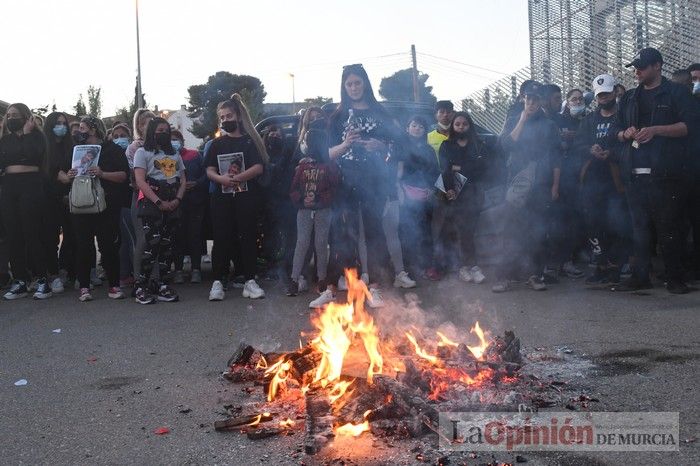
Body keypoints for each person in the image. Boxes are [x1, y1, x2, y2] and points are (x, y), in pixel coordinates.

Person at [612, 47, 698, 294]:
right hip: (634, 174)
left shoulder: (677, 93)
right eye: (635, 67)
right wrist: (625, 133)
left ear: (658, 66)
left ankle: (675, 278)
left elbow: (689, 127)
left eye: (642, 66)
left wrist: (656, 130)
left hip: (666, 173)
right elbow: (615, 131)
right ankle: (641, 276)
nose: (637, 71)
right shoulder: (628, 98)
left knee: (669, 228)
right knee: (639, 228)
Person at [328, 63, 404, 307]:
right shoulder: (338, 116)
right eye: (349, 84)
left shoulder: (380, 112)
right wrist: (344, 145)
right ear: (344, 87)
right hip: (345, 180)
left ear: (365, 83)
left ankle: (375, 287)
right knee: (344, 233)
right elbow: (327, 153)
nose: (353, 88)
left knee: (374, 232)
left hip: (374, 179)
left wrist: (381, 147)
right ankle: (345, 285)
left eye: (357, 82)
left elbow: (399, 146)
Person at [493, 82, 562, 293]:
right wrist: (522, 119)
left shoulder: (549, 125)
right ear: (523, 99)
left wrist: (555, 186)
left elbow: (557, 158)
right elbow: (505, 146)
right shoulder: (514, 120)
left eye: (535, 99)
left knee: (537, 232)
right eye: (528, 99)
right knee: (510, 231)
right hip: (516, 184)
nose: (531, 103)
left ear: (541, 101)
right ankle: (505, 276)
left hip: (540, 184)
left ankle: (535, 274)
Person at [59, 116, 130, 301]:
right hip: (82, 205)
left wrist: (102, 173)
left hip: (107, 205)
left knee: (108, 245)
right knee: (83, 246)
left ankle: (114, 285)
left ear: (94, 129)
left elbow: (123, 175)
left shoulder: (112, 149)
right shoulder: (75, 150)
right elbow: (60, 172)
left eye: (83, 128)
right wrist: (68, 175)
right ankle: (84, 287)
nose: (79, 132)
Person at [206, 94, 267, 301]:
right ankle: (217, 281)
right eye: (222, 117)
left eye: (229, 115)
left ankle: (250, 280)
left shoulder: (250, 142)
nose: (225, 120)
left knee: (248, 237)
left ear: (238, 116)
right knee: (222, 238)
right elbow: (210, 170)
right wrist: (222, 179)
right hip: (221, 198)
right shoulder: (216, 144)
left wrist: (238, 178)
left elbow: (258, 167)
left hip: (246, 197)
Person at [573, 74, 629, 284]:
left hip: (617, 179)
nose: (603, 98)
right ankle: (601, 264)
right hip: (593, 179)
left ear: (615, 92)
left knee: (617, 222)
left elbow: (630, 143)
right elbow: (578, 145)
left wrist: (611, 154)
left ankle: (616, 265)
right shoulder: (589, 120)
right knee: (594, 222)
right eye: (600, 96)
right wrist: (590, 149)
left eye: (606, 94)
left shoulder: (623, 116)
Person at [0, 103, 53, 299]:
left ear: (26, 117)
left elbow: (34, 156)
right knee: (13, 234)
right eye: (9, 115)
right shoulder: (5, 140)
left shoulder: (37, 137)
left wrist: (28, 133)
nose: (11, 118)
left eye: (16, 115)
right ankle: (20, 280)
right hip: (9, 186)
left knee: (31, 233)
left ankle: (41, 279)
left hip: (31, 185)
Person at [133, 118, 186, 304]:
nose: (163, 133)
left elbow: (182, 179)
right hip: (151, 204)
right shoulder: (142, 152)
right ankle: (141, 285)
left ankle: (162, 283)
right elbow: (140, 181)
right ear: (152, 132)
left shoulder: (175, 154)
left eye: (166, 130)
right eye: (159, 130)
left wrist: (177, 199)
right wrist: (158, 201)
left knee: (167, 246)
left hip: (173, 203)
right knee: (151, 245)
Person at [288, 128, 340, 307]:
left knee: (317, 243)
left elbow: (334, 189)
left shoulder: (328, 165)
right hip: (306, 209)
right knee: (309, 243)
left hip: (321, 210)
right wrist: (303, 199)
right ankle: (299, 279)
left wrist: (315, 199)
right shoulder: (304, 166)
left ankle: (318, 279)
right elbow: (294, 189)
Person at [433, 112, 487, 284]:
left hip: (474, 193)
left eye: (464, 124)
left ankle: (472, 267)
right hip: (454, 193)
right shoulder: (447, 145)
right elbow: (445, 170)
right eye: (457, 124)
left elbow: (481, 169)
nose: (461, 127)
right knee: (458, 231)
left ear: (469, 125)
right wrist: (449, 189)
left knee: (470, 231)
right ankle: (464, 267)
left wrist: (459, 167)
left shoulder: (478, 144)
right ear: (453, 126)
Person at [400, 115, 440, 279]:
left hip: (426, 196)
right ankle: (407, 267)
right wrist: (402, 189)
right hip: (405, 195)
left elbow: (435, 171)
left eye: (421, 127)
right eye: (414, 125)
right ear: (407, 128)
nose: (417, 129)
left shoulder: (429, 149)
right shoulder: (400, 148)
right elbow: (398, 172)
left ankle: (428, 266)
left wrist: (431, 189)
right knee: (406, 231)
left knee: (425, 232)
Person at [42, 111, 75, 293]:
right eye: (57, 123)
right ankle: (53, 273)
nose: (61, 126)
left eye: (64, 123)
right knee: (50, 238)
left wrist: (71, 174)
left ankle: (64, 269)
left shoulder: (71, 146)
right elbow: (42, 168)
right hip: (48, 197)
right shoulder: (43, 145)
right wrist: (56, 175)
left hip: (69, 196)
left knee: (70, 235)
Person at [172, 129, 207, 284]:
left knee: (195, 236)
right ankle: (178, 270)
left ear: (182, 141)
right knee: (178, 237)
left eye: (176, 139)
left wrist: (197, 183)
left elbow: (206, 174)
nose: (174, 142)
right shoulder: (166, 158)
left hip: (195, 202)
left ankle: (196, 269)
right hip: (176, 203)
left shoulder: (195, 155)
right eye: (171, 139)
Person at [110, 123, 136, 288]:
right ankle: (126, 274)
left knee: (129, 240)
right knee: (127, 240)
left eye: (122, 135)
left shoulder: (132, 154)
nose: (120, 139)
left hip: (132, 199)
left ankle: (127, 273)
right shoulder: (112, 156)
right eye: (116, 136)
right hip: (120, 203)